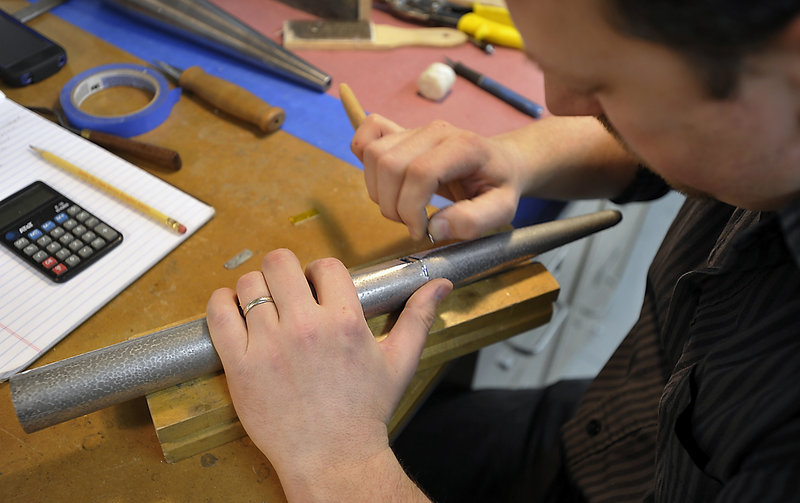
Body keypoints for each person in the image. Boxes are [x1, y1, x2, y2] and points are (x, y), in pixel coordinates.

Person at [206, 0, 800, 501]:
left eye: (602, 83)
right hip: (611, 432)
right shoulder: (759, 122)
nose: (560, 104)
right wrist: (517, 157)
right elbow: (680, 133)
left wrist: (338, 460)